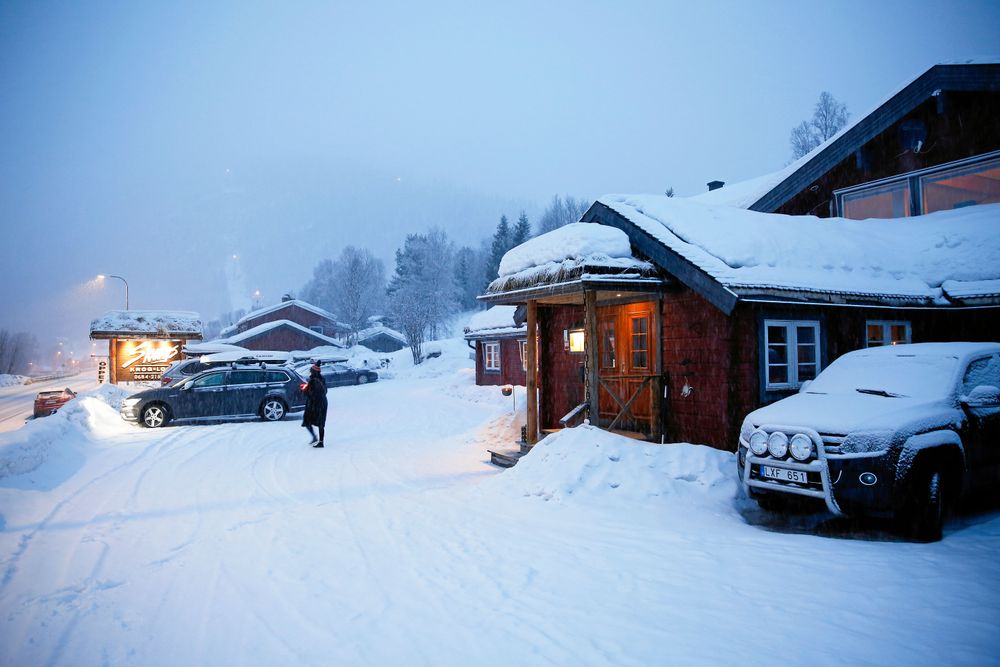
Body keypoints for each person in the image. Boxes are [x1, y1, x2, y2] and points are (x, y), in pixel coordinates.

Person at [302, 363, 328, 448]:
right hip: (322, 402)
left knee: (308, 420)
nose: (310, 372)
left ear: (314, 372)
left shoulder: (314, 381)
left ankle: (318, 440)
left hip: (315, 404)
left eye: (311, 370)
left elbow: (312, 394)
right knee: (320, 422)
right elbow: (325, 391)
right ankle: (319, 440)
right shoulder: (321, 379)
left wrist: (305, 391)